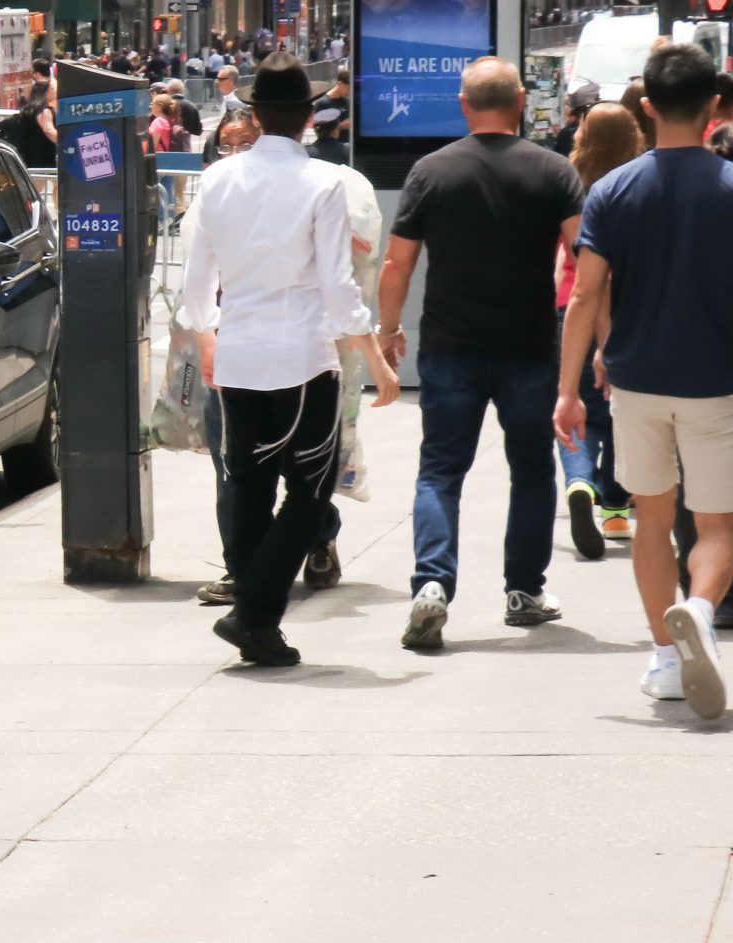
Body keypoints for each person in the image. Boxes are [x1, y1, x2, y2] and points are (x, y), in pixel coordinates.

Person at [178, 55, 399, 665]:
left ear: (254, 117)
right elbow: (337, 287)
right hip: (302, 356)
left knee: (250, 486)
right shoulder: (324, 183)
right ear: (307, 117)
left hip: (238, 355)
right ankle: (254, 612)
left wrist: (208, 338)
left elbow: (196, 284)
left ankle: (258, 623)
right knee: (310, 490)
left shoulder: (218, 180)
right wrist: (376, 358)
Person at [378, 59, 585, 652]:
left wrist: (389, 329)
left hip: (451, 346)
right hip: (528, 346)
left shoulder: (430, 171)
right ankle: (523, 591)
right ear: (519, 100)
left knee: (440, 471)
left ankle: (432, 584)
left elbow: (397, 262)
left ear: (463, 105)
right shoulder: (554, 170)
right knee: (532, 470)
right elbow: (584, 253)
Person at [557, 42, 733, 716]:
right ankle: (701, 608)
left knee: (651, 520)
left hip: (635, 382)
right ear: (713, 105)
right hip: (716, 381)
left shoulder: (611, 190)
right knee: (716, 526)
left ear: (649, 107)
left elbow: (584, 294)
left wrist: (568, 390)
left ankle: (665, 655)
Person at [558, 103, 644, 548]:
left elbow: (569, 264)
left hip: (571, 306)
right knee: (617, 414)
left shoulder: (570, 185)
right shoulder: (637, 185)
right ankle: (614, 512)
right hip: (628, 309)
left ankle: (578, 482)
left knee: (576, 405)